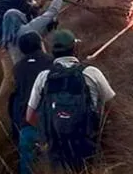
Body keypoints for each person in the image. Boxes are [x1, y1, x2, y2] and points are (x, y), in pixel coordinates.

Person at [26, 30, 116, 172]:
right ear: (75, 48)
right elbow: (112, 108)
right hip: (88, 143)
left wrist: (50, 129)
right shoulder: (91, 72)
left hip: (56, 148)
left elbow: (29, 117)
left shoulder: (44, 77)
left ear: (52, 51)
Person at [0, 0, 39, 99]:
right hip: (12, 39)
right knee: (17, 72)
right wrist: (34, 7)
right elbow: (27, 14)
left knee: (8, 74)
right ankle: (21, 100)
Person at [8, 32, 53, 174]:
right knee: (50, 161)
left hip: (26, 122)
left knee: (27, 162)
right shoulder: (51, 62)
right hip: (48, 122)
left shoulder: (17, 68)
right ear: (40, 44)